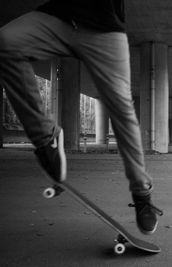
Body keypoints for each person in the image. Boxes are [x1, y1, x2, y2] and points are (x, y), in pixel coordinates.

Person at [0, 0, 162, 235]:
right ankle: (46, 137)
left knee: (121, 109)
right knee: (6, 42)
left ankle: (142, 194)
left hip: (104, 29)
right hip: (59, 18)